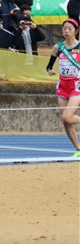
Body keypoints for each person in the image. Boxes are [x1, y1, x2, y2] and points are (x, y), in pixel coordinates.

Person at [45, 19, 80, 157]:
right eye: (64, 28)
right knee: (65, 121)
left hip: (76, 85)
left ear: (76, 31)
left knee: (67, 117)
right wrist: (49, 71)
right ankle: (78, 149)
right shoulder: (58, 47)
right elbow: (49, 66)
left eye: (69, 29)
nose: (66, 31)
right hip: (63, 86)